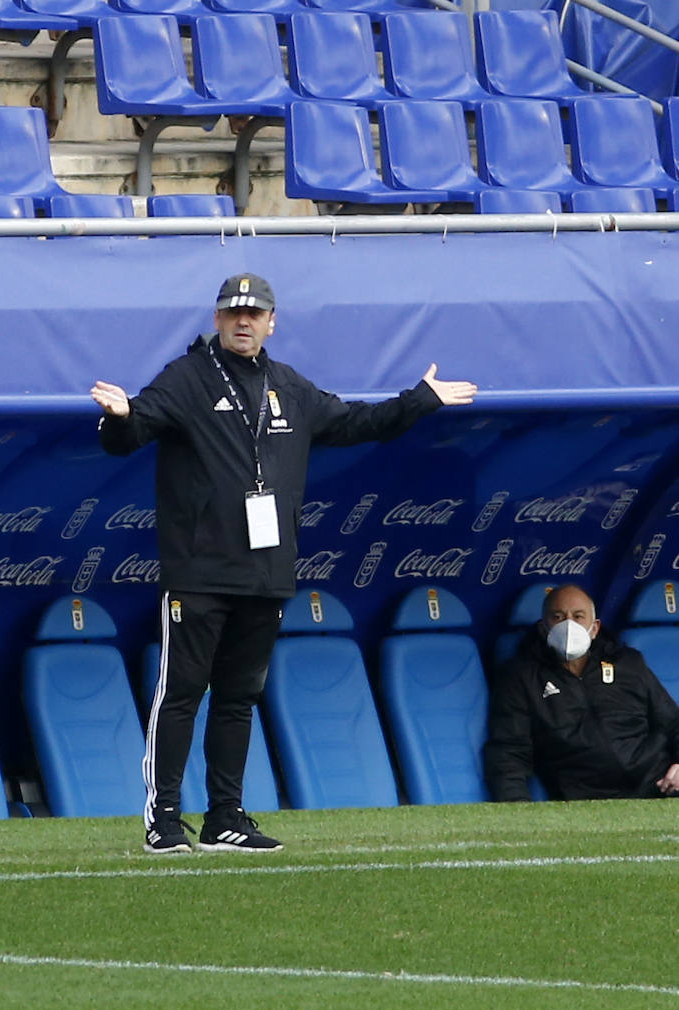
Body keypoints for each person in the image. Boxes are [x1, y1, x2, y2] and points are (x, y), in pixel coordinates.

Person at [90, 272, 477, 855]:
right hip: (199, 569)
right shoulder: (188, 377)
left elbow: (353, 423)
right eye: (232, 313)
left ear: (273, 323)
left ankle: (225, 815)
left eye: (255, 313)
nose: (243, 321)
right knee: (182, 692)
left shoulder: (287, 386)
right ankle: (163, 818)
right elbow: (134, 428)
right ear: (216, 320)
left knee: (239, 697)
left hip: (267, 570)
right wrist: (119, 417)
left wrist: (418, 401)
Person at [485, 584, 679, 801]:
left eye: (578, 617)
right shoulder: (521, 677)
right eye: (558, 617)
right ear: (542, 627)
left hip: (659, 787)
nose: (569, 625)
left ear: (594, 628)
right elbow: (509, 753)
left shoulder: (628, 663)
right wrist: (518, 812)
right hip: (588, 799)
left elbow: (673, 722)